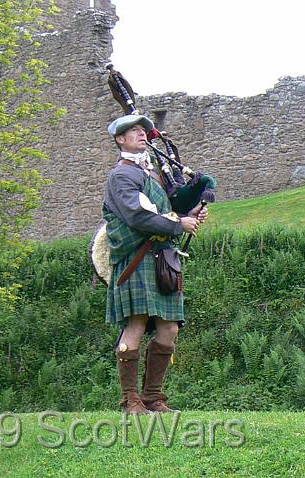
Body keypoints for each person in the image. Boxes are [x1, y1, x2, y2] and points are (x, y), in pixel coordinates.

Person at [103, 114, 208, 414]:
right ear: (120, 140)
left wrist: (193, 212)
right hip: (135, 260)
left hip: (163, 260)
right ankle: (131, 400)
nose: (141, 134)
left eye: (143, 131)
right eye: (133, 131)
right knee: (135, 324)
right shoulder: (121, 176)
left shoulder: (152, 177)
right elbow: (138, 216)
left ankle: (153, 398)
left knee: (170, 328)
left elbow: (167, 209)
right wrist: (179, 225)